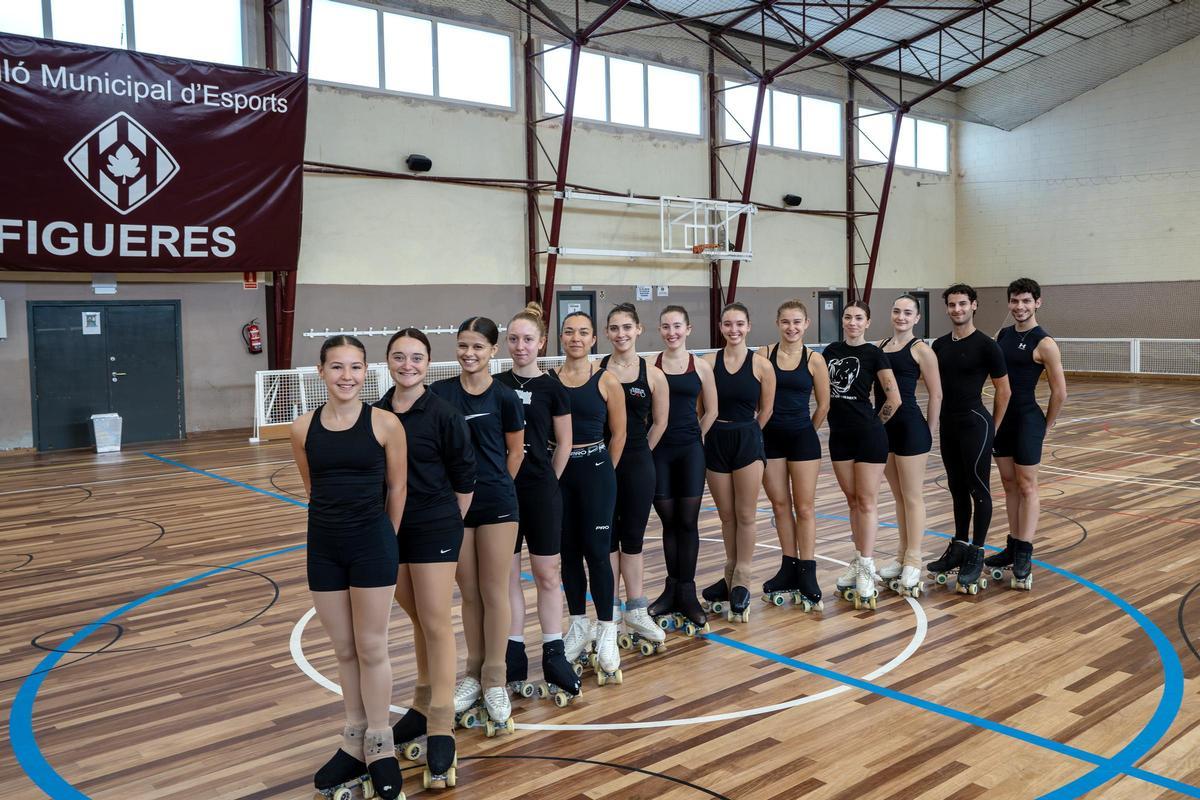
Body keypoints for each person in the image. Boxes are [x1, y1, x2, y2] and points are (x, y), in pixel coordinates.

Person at [291, 335, 407, 800]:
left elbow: (397, 489)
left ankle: (381, 743)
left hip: (372, 546)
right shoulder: (302, 429)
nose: (346, 376)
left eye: (355, 367)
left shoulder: (385, 424)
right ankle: (354, 738)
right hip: (323, 548)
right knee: (343, 649)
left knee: (372, 646)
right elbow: (312, 489)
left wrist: (384, 538)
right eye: (337, 367)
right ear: (321, 371)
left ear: (366, 371)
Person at [375, 328, 474, 788]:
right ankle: (420, 701)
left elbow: (464, 478)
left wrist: (448, 523)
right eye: (399, 357)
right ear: (388, 361)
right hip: (392, 529)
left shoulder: (444, 414)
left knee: (435, 620)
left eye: (416, 357)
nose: (407, 365)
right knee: (417, 616)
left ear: (428, 363)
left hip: (436, 525)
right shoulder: (376, 412)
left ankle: (440, 722)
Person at [431, 318, 525, 735]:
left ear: (493, 351)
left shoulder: (505, 396)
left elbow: (515, 451)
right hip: (455, 506)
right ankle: (473, 673)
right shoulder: (440, 393)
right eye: (463, 345)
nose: (469, 354)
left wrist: (495, 485)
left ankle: (495, 679)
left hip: (497, 503)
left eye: (478, 347)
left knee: (494, 590)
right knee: (469, 593)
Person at [495, 303, 583, 704]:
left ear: (541, 342)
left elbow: (564, 442)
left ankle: (553, 652)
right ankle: (513, 653)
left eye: (527, 339)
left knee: (548, 574)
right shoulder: (496, 385)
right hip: (503, 494)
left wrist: (550, 481)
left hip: (541, 491)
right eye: (513, 339)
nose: (520, 346)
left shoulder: (553, 388)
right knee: (508, 577)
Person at [552, 310, 627, 686]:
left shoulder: (607, 380)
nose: (576, 338)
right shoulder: (550, 382)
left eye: (583, 332)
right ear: (561, 338)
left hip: (596, 473)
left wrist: (603, 472)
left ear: (594, 339)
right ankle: (579, 625)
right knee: (567, 553)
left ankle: (607, 629)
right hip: (560, 475)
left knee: (598, 554)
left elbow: (619, 434)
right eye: (569, 332)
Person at [927, 284, 1011, 595]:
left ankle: (976, 551)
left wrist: (993, 428)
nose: (957, 309)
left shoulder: (988, 346)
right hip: (949, 425)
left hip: (976, 424)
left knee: (978, 488)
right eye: (952, 305)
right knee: (956, 487)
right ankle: (959, 546)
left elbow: (1004, 391)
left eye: (963, 304)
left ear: (974, 305)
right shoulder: (938, 345)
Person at [988, 278, 1067, 591]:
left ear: (1037, 303)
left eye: (1026, 301)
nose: (1019, 307)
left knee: (1027, 485)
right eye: (1015, 301)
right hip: (1002, 420)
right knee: (1008, 484)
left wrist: (1046, 425)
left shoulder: (1044, 343)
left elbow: (1060, 392)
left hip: (1027, 420)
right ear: (1009, 302)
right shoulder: (1003, 335)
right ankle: (1012, 544)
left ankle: (1024, 552)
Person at [700, 302, 775, 623]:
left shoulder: (761, 365)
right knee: (727, 516)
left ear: (748, 327)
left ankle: (743, 576)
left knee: (745, 514)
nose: (734, 330)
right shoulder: (707, 363)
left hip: (747, 441)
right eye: (728, 324)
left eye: (740, 324)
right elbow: (702, 408)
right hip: (716, 441)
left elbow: (767, 408)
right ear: (720, 327)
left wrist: (750, 433)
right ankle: (730, 572)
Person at [823, 303, 902, 611]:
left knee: (867, 502)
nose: (852, 322)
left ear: (868, 322)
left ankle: (867, 566)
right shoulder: (830, 351)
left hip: (869, 436)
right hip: (839, 437)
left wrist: (873, 425)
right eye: (848, 317)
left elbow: (893, 398)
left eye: (859, 318)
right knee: (853, 501)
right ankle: (858, 559)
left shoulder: (874, 354)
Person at [600, 303, 669, 655]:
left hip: (639, 465)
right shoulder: (597, 371)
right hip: (601, 466)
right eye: (614, 328)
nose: (621, 334)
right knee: (607, 541)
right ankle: (609, 612)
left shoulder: (653, 374)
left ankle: (637, 610)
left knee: (633, 539)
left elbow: (660, 422)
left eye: (627, 327)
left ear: (639, 329)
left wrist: (640, 453)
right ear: (606, 333)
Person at [648, 305, 718, 636]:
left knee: (687, 522)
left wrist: (695, 438)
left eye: (677, 326)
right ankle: (671, 588)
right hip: (659, 452)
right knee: (669, 520)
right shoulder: (650, 366)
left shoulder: (700, 366)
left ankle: (687, 592)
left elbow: (712, 410)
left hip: (690, 452)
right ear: (659, 330)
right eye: (666, 326)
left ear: (688, 329)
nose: (671, 332)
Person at [756, 300, 829, 611]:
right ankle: (788, 566)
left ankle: (807, 571)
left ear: (806, 324)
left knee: (805, 507)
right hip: (770, 440)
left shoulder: (814, 360)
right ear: (777, 323)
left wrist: (807, 431)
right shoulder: (763, 355)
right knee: (780, 505)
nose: (791, 327)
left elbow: (823, 405)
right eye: (786, 321)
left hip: (802, 441)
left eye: (797, 322)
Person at [875, 295, 942, 598]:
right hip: (885, 430)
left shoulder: (921, 350)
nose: (901, 317)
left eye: (907, 313)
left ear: (917, 318)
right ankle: (902, 555)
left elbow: (936, 394)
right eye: (896, 311)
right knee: (899, 496)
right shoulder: (879, 347)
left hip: (911, 430)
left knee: (913, 496)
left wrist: (929, 431)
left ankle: (914, 558)